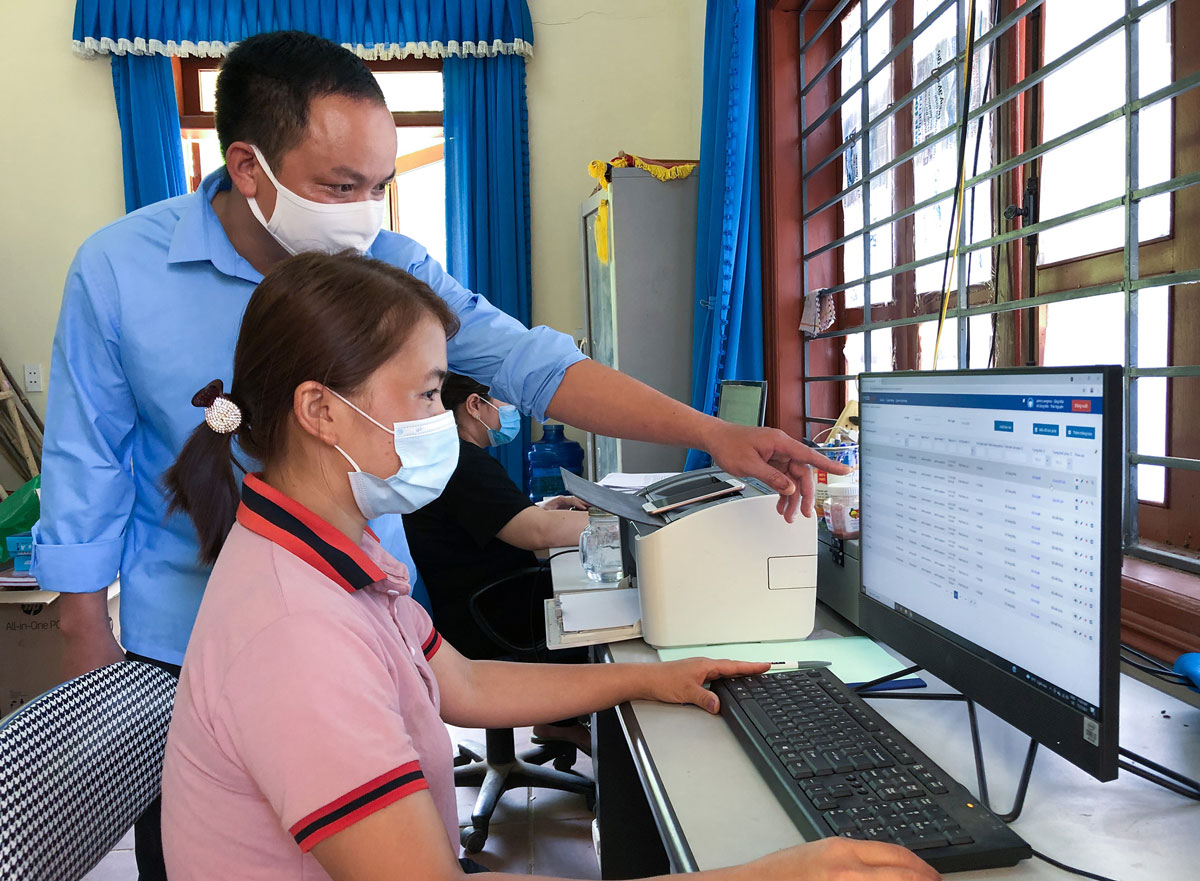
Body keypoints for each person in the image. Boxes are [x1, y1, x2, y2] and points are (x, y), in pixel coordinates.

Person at [31, 29, 849, 878]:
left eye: (380, 185)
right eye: (340, 186)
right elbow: (84, 458)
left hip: (317, 590)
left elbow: (531, 365)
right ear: (247, 167)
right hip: (206, 640)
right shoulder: (122, 271)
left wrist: (709, 438)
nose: (365, 214)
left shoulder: (347, 552)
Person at [159, 251, 937, 881]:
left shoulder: (325, 553)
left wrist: (647, 677)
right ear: (321, 409)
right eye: (430, 393)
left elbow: (460, 684)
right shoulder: (295, 634)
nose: (445, 418)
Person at [403, 372, 587, 661]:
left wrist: (537, 512)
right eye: (507, 402)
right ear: (475, 405)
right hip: (495, 624)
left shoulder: (454, 457)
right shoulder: (462, 462)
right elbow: (537, 533)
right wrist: (620, 520)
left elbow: (484, 521)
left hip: (484, 610)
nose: (514, 412)